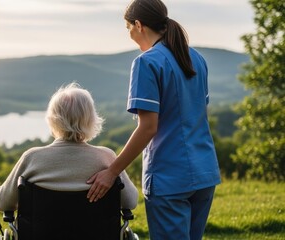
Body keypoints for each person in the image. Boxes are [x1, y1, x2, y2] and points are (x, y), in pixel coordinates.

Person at [86, 0, 221, 239]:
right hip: (204, 172)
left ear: (138, 25)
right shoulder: (197, 58)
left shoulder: (146, 62)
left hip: (170, 178)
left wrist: (112, 171)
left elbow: (148, 128)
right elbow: (198, 114)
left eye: (128, 28)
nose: (129, 34)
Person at [0, 82, 138, 212]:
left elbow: (2, 203)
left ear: (52, 119)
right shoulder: (107, 157)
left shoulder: (32, 158)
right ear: (91, 119)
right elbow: (130, 202)